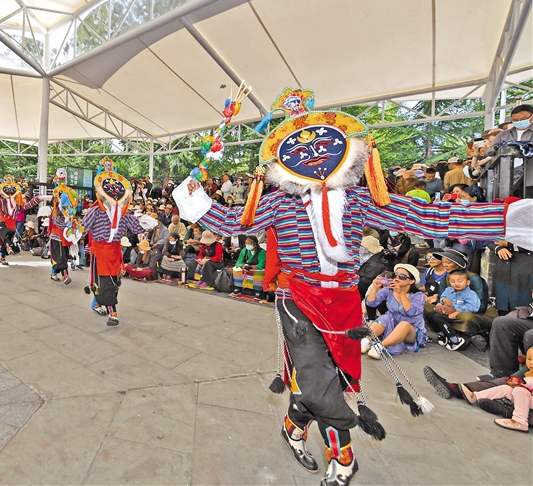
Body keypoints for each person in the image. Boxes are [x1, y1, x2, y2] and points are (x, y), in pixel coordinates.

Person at [173, 87, 532, 485]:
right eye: (299, 151)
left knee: (332, 376)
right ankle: (344, 459)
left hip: (343, 301)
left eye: (322, 147)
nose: (313, 156)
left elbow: (432, 217)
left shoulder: (360, 199)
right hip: (297, 297)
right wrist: (195, 198)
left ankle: (294, 425)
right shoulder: (278, 203)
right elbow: (229, 223)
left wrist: (512, 219)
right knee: (317, 377)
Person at [80, 158, 151, 326]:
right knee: (105, 283)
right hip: (100, 252)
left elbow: (138, 227)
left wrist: (147, 223)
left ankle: (97, 304)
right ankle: (114, 314)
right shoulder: (95, 211)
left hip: (114, 252)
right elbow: (82, 229)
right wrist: (71, 229)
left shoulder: (123, 213)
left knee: (114, 283)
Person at [459, 347, 533, 433]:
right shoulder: (529, 372)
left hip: (527, 397)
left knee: (519, 391)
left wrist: (520, 386)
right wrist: (517, 381)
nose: (531, 363)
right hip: (526, 398)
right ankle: (475, 396)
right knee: (506, 388)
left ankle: (520, 421)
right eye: (529, 359)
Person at [363, 264, 427, 358]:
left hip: (411, 331)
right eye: (395, 275)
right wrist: (375, 287)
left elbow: (410, 312)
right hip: (392, 324)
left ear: (412, 281)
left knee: (404, 324)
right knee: (385, 317)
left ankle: (380, 346)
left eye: (402, 276)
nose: (397, 278)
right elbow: (371, 303)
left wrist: (401, 293)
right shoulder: (388, 290)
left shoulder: (418, 296)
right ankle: (366, 340)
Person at [427, 269, 481, 350]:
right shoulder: (448, 290)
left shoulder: (471, 294)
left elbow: (473, 307)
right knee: (430, 314)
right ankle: (441, 334)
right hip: (445, 311)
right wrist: (443, 300)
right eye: (453, 281)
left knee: (438, 317)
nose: (456, 284)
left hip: (460, 314)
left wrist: (457, 310)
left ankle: (454, 339)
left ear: (468, 282)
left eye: (460, 281)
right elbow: (442, 297)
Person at [232, 235, 266, 299]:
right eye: (246, 243)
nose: (247, 245)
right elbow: (239, 261)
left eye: (249, 243)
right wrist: (242, 266)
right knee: (235, 269)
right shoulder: (244, 250)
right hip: (245, 267)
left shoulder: (262, 252)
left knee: (261, 272)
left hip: (256, 268)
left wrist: (251, 267)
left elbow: (261, 264)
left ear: (254, 244)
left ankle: (258, 290)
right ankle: (238, 287)